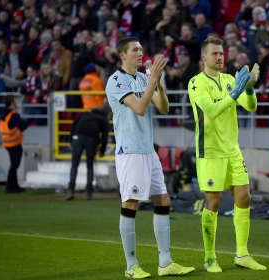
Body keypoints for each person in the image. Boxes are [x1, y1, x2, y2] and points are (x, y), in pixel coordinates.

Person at [105, 37, 195, 278]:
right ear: (122, 55)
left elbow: (163, 108)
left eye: (141, 49)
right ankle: (130, 265)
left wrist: (159, 84)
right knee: (131, 203)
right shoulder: (115, 81)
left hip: (148, 151)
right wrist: (153, 80)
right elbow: (140, 108)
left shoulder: (144, 78)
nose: (140, 53)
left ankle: (165, 262)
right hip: (130, 152)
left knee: (163, 200)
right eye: (135, 50)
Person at [187, 37, 266, 273]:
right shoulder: (196, 83)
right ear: (203, 57)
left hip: (232, 149)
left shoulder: (231, 80)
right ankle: (210, 258)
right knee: (214, 202)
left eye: (221, 53)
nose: (220, 57)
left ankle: (242, 254)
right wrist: (233, 96)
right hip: (210, 151)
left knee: (244, 197)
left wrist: (249, 89)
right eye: (214, 54)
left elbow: (251, 107)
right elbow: (210, 111)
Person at [64, 104, 111, 201]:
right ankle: (89, 192)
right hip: (91, 140)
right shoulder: (103, 119)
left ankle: (70, 190)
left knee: (74, 165)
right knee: (90, 166)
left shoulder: (85, 113)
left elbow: (74, 125)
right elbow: (105, 137)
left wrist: (70, 140)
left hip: (77, 137)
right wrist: (102, 151)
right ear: (108, 114)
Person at [0, 95, 28, 193]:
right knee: (14, 165)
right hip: (14, 143)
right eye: (15, 100)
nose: (16, 102)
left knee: (14, 164)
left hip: (7, 143)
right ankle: (9, 186)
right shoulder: (13, 115)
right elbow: (23, 125)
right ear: (11, 102)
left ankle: (14, 186)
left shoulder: (3, 114)